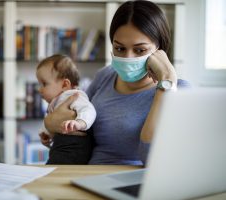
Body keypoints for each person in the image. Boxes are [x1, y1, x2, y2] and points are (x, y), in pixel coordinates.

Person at [42, 0, 190, 165]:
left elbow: (152, 159)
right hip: (85, 175)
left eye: (140, 50)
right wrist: (50, 124)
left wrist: (166, 83)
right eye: (119, 48)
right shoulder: (105, 76)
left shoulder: (179, 91)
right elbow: (66, 124)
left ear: (159, 49)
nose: (128, 58)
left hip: (132, 184)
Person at [36, 54, 96, 164]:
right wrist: (47, 133)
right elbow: (56, 122)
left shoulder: (74, 95)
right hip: (61, 149)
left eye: (44, 84)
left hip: (75, 150)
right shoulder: (57, 101)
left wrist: (80, 123)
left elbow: (89, 110)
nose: (40, 89)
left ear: (65, 84)